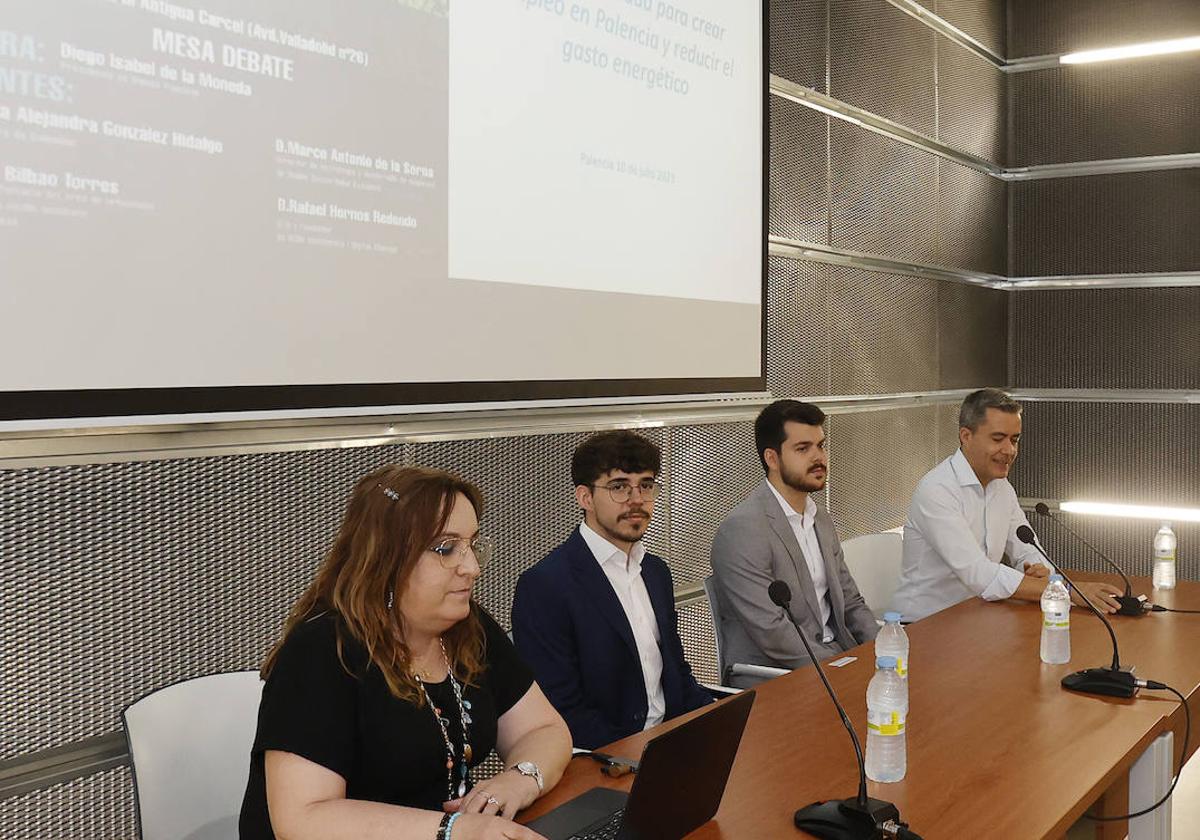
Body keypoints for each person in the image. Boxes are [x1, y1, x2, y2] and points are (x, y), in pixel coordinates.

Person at [239, 465, 570, 840]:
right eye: (446, 549)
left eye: (473, 545)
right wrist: (454, 830)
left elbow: (545, 729)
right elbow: (304, 819)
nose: (472, 567)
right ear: (387, 560)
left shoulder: (467, 626)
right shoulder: (321, 650)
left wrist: (521, 778)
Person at [510, 431, 712, 750]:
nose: (636, 499)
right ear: (584, 498)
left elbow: (677, 676)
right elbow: (561, 711)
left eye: (646, 485)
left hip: (671, 743)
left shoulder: (656, 572)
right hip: (605, 759)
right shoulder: (545, 585)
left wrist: (722, 719)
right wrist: (640, 754)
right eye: (619, 487)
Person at [892, 389, 1124, 622]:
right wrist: (1069, 591)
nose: (1010, 450)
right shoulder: (938, 489)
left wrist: (1040, 571)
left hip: (979, 616)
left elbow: (1027, 548)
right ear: (966, 436)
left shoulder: (1001, 487)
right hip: (924, 625)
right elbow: (978, 573)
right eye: (998, 438)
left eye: (1014, 439)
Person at [710, 400, 879, 686]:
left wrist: (884, 651)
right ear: (772, 459)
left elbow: (850, 602)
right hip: (780, 677)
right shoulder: (741, 530)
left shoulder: (819, 517)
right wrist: (840, 667)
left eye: (821, 446)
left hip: (836, 661)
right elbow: (773, 632)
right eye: (803, 449)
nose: (819, 457)